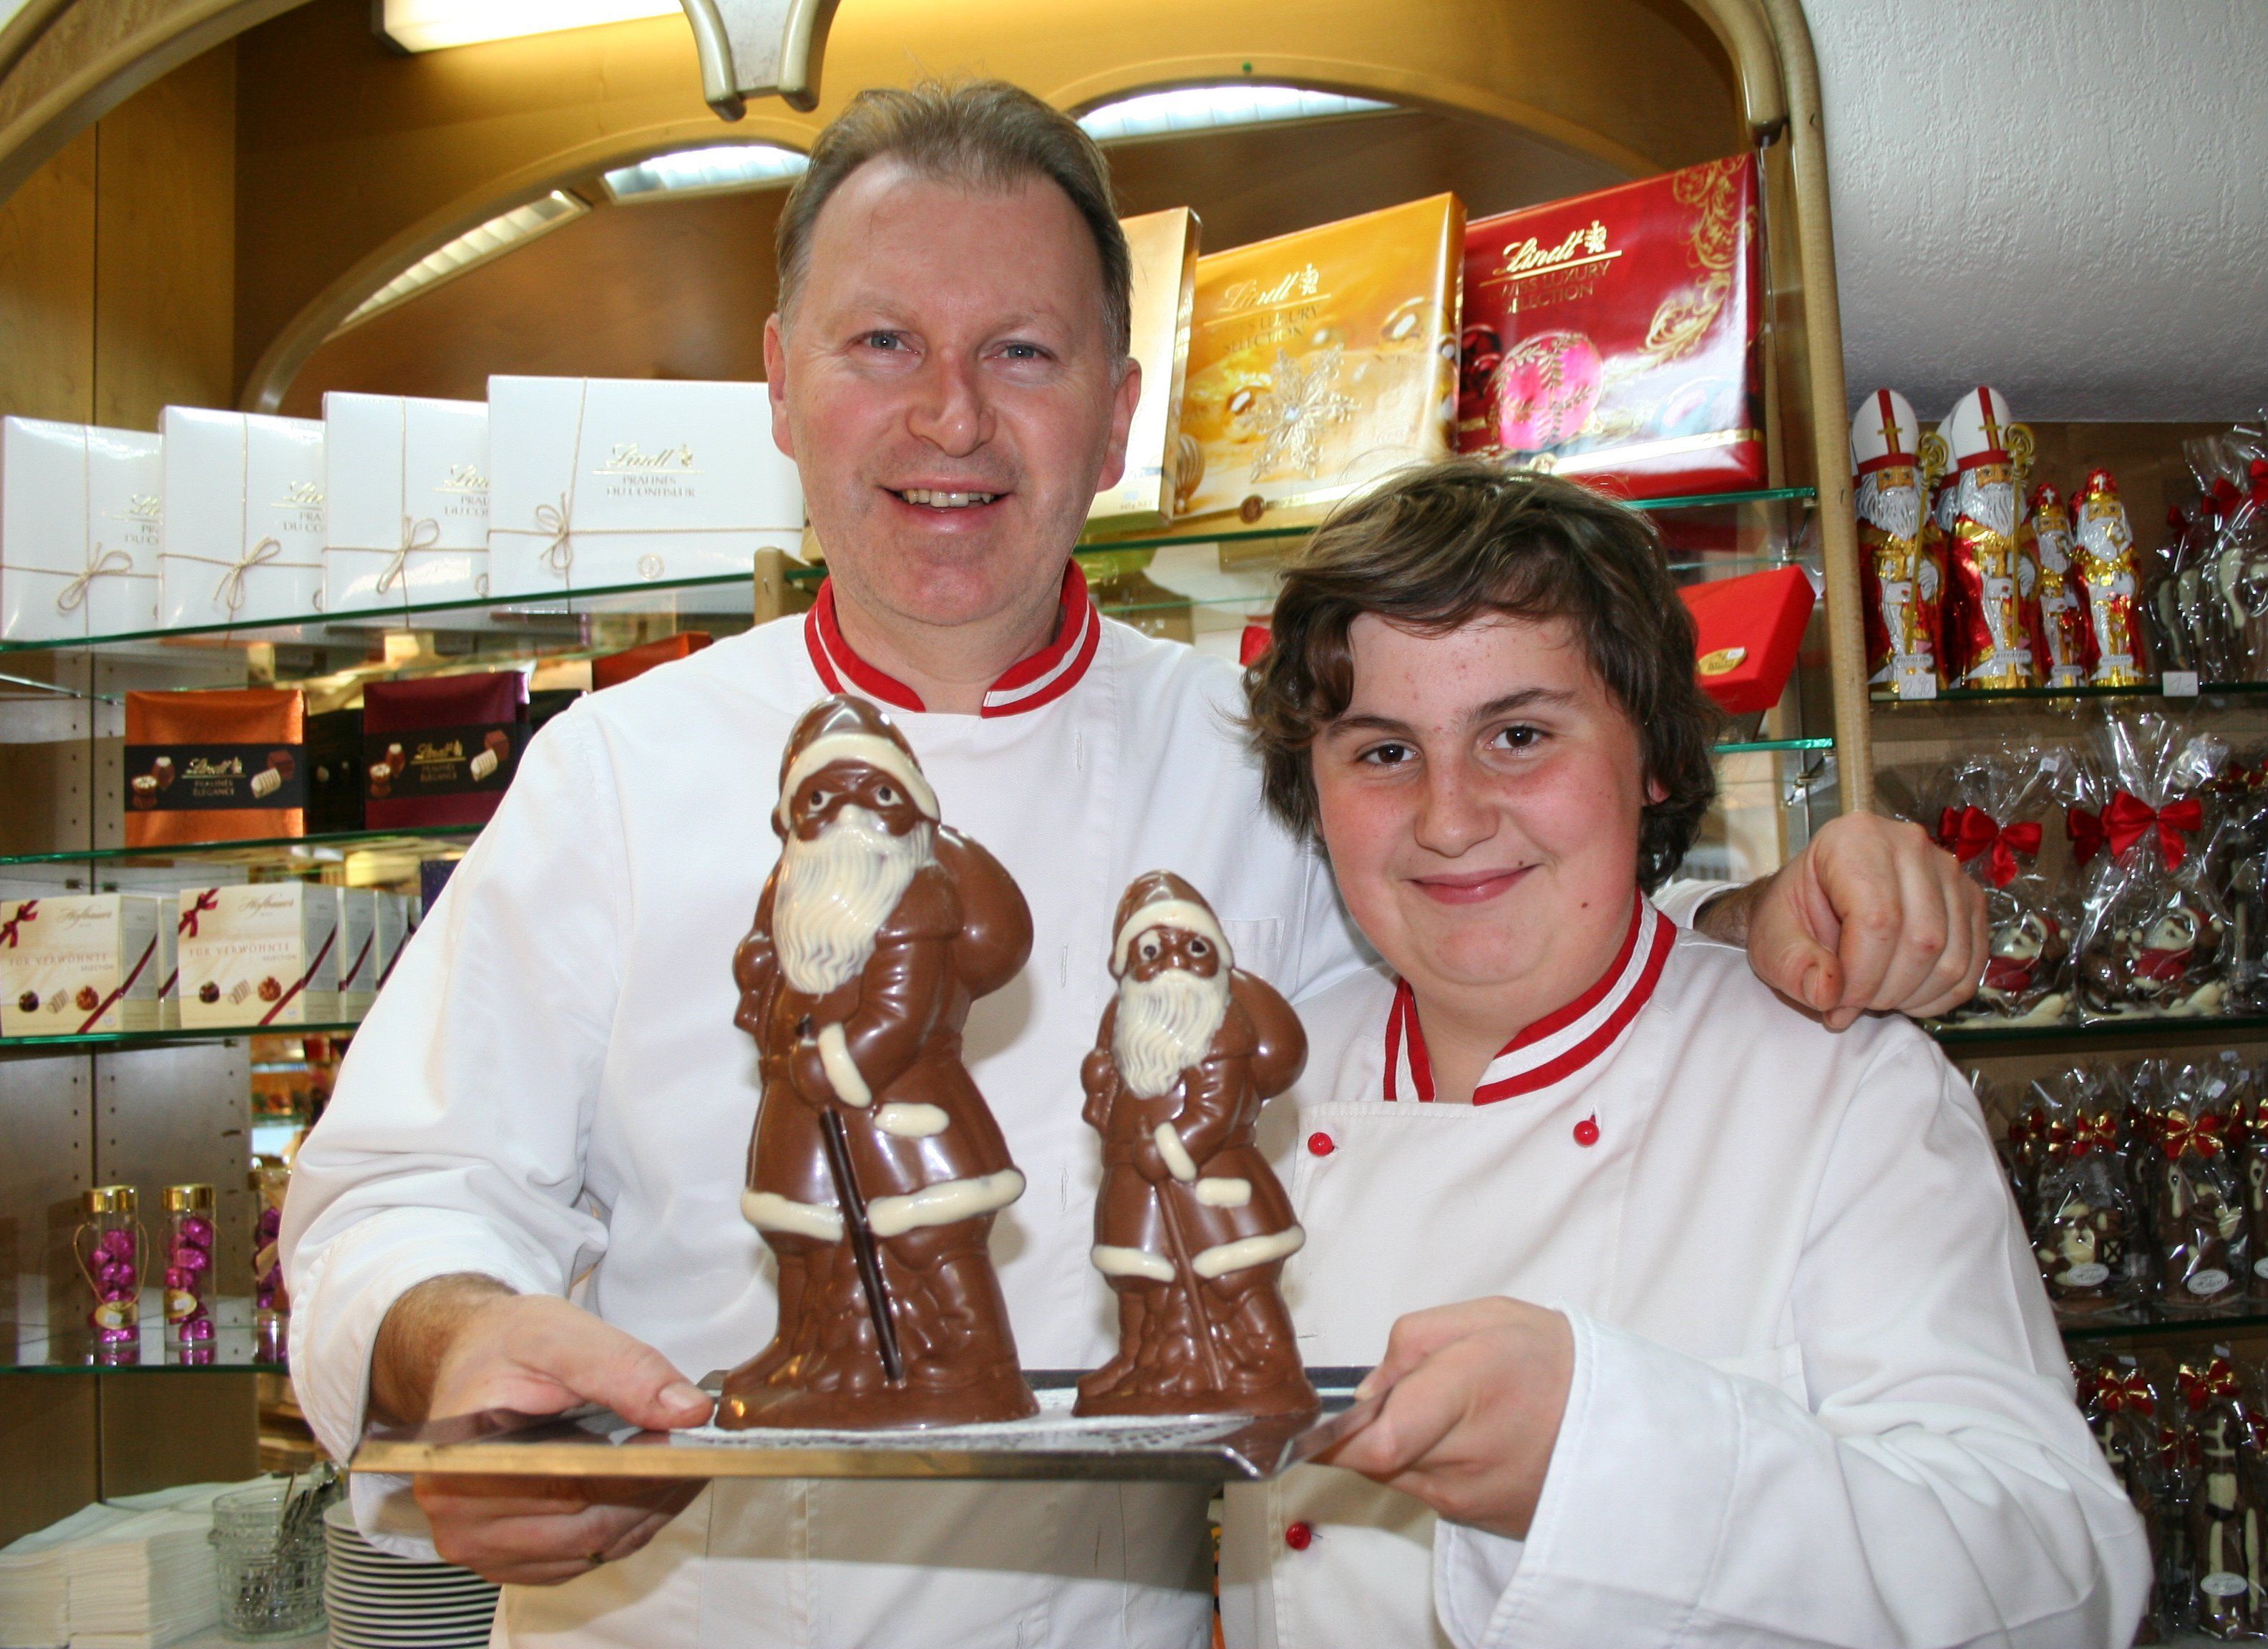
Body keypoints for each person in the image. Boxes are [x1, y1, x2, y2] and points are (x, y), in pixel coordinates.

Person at [281, 80, 1990, 1648]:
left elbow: (1489, 925)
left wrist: (1759, 914)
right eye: (884, 342)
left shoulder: (1255, 752)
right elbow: (403, 1186)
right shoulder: (614, 773)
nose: (951, 417)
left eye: (1023, 353)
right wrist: (452, 1346)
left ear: (1117, 415)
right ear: (782, 385)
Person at [1223, 461, 2148, 1648]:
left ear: (1652, 758)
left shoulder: (1836, 1083)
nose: (1450, 819)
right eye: (1384, 752)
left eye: (1519, 735)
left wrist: (1605, 1460)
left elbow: (2060, 1576)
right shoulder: (1266, 1089)